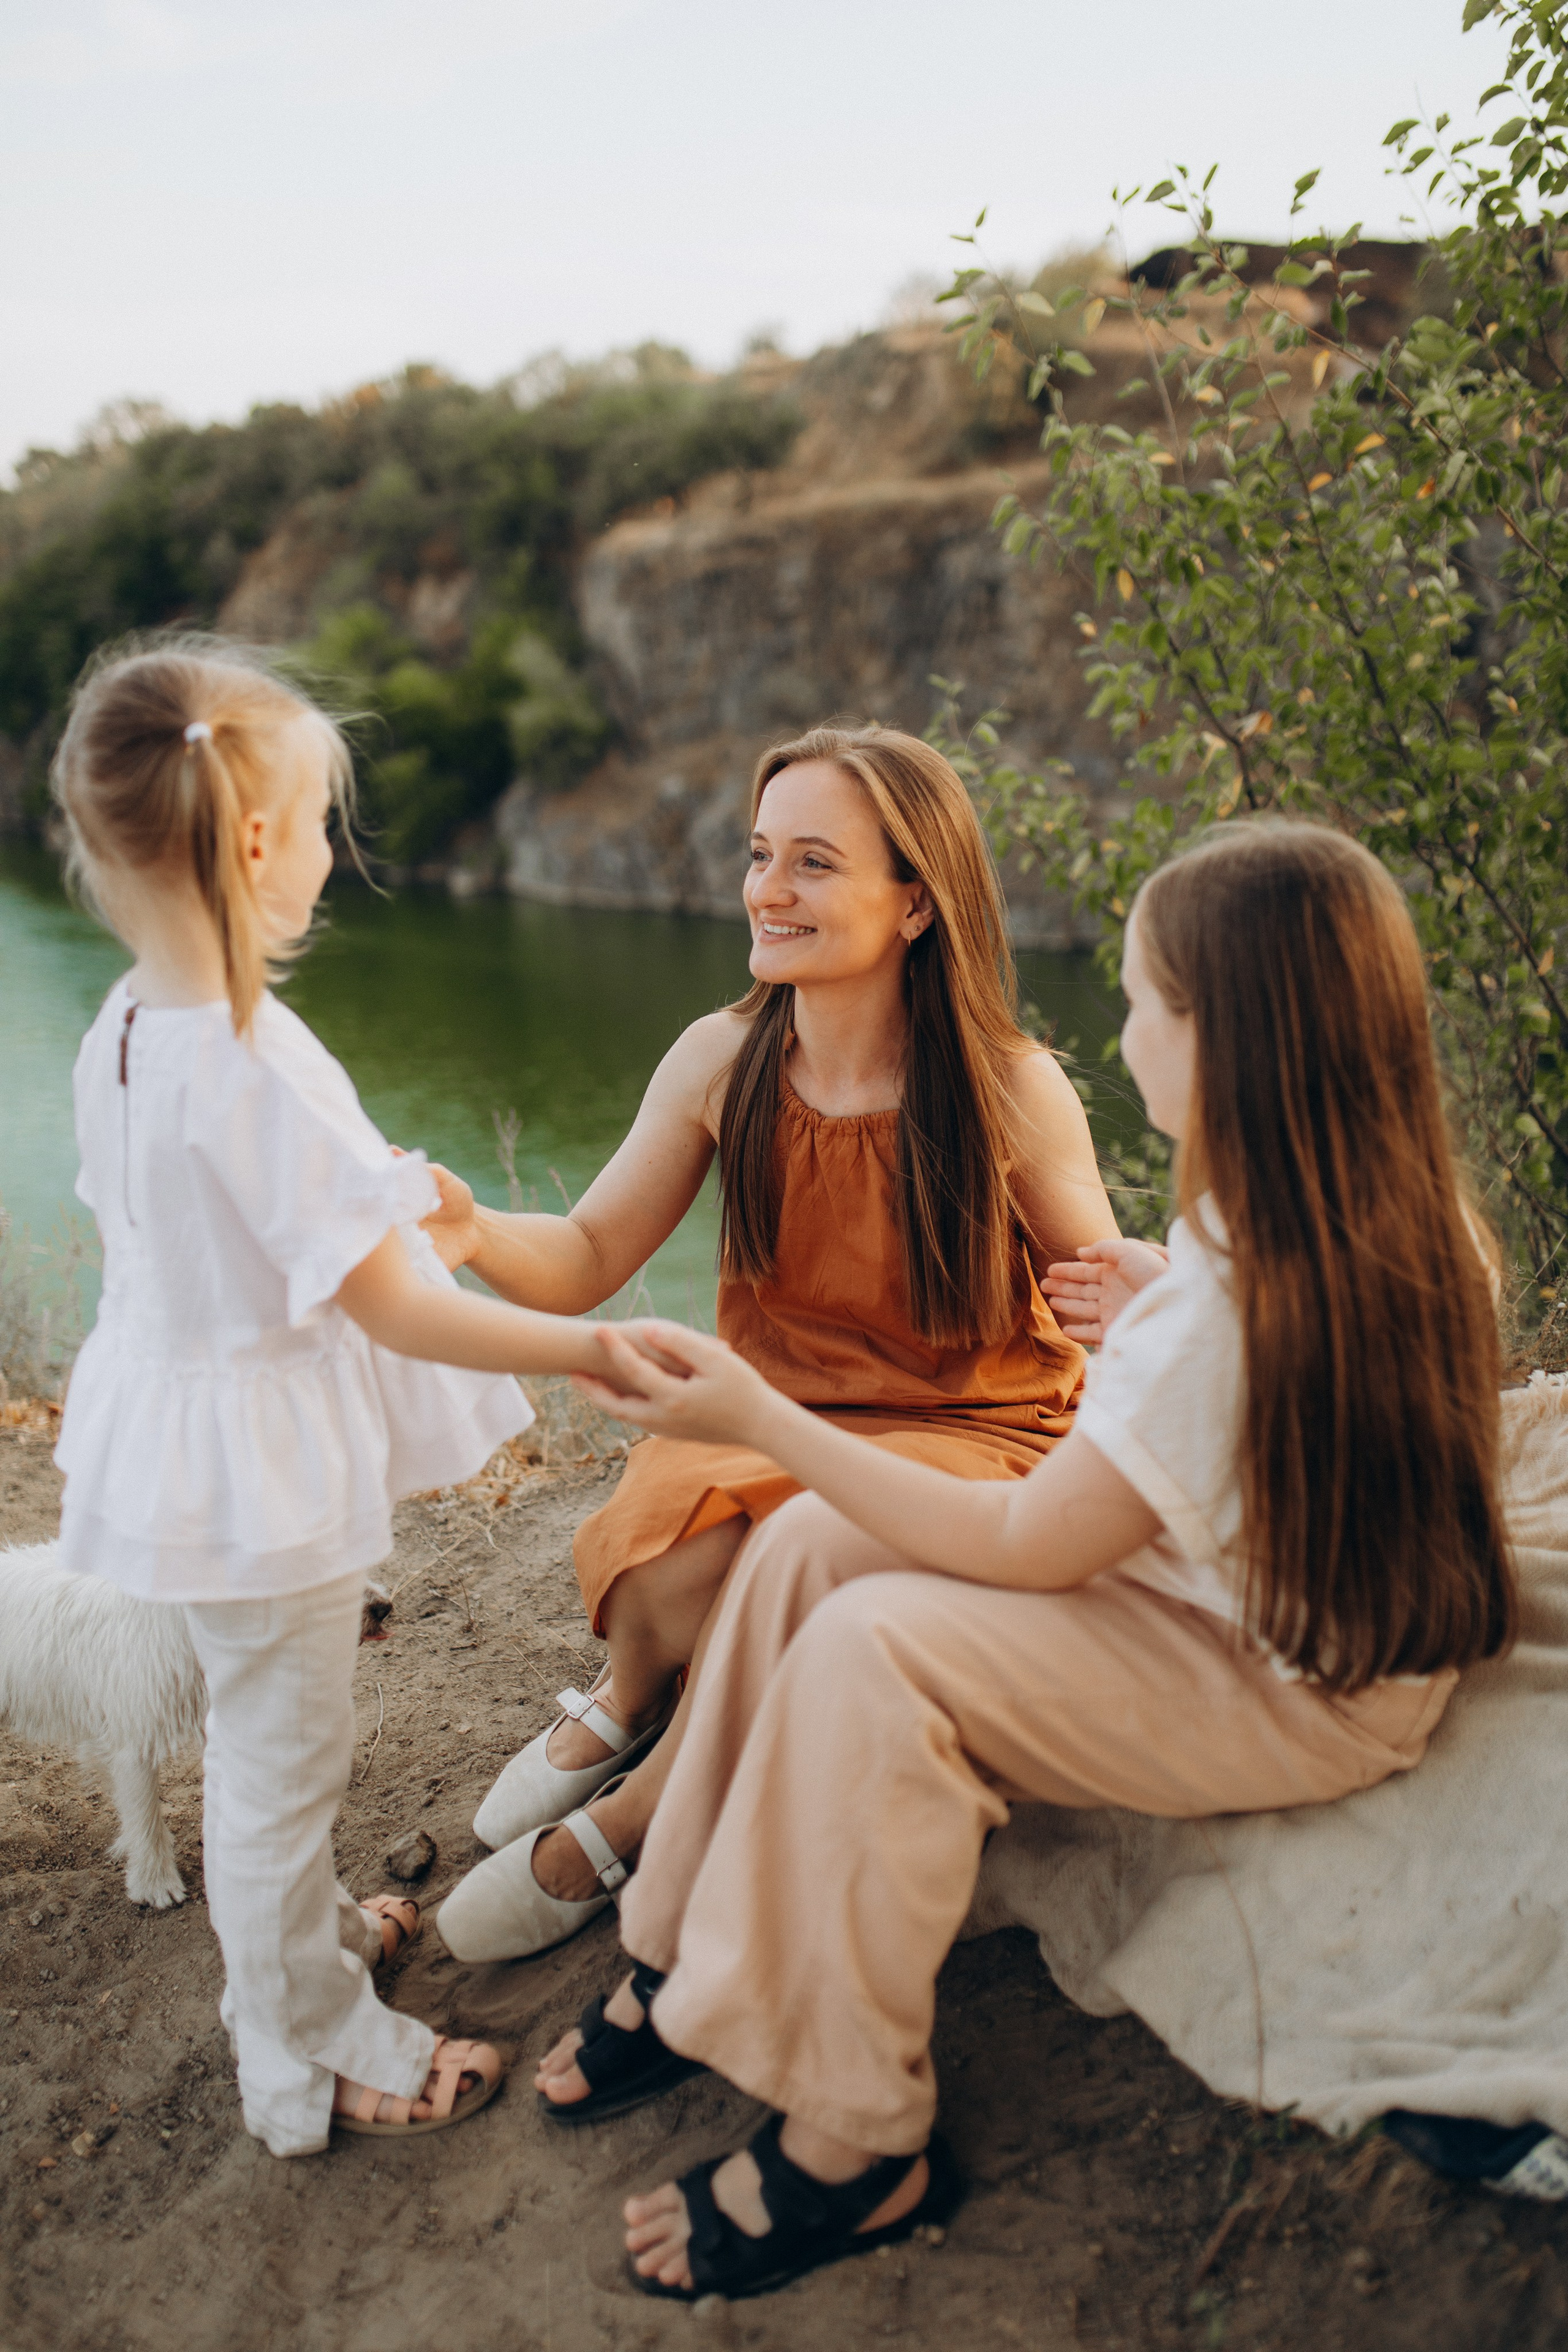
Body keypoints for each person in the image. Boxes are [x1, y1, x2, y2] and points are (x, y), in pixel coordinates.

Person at [537, 819, 1518, 2303]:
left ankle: (859, 2142)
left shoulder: (1233, 1299)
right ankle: (679, 1943)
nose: (1117, 1038)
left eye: (1137, 1004)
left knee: (877, 1650)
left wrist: (759, 1418)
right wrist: (1161, 1288)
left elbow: (1020, 1534)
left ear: (1226, 1038)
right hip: (1246, 1588)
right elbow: (1248, 1366)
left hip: (1294, 1680)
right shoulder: (1347, 1216)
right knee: (809, 1549)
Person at [50, 636, 643, 2162]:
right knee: (276, 1773)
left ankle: (305, 1950)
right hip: (262, 1488)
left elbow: (230, 1228)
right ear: (256, 843)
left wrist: (396, 1199)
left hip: (176, 1455)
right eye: (321, 821)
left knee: (259, 1742)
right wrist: (588, 1348)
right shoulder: (259, 1057)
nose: (329, 851)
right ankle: (306, 2057)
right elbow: (393, 1307)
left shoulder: (124, 1029)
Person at [426, 725, 1118, 1963]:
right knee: (670, 1576)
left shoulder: (1010, 1087)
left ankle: (635, 1819)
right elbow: (586, 1253)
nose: (765, 891)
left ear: (914, 903)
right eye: (759, 855)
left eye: (811, 863)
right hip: (772, 1416)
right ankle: (631, 1694)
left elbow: (1104, 1300)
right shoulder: (723, 1058)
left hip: (974, 1432)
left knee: (801, 1563)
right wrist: (474, 1225)